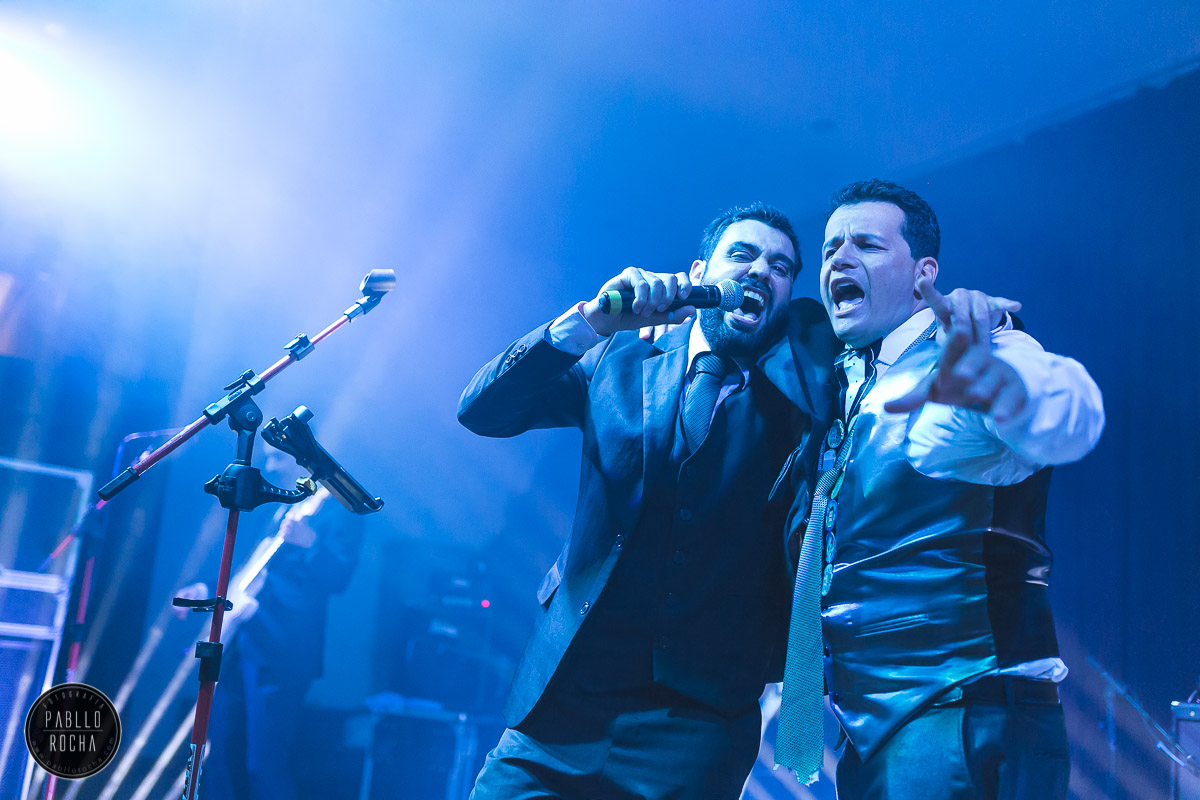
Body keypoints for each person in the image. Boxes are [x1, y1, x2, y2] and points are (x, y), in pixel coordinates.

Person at [458, 203, 842, 799]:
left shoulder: (804, 397)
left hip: (695, 734)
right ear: (697, 272)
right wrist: (588, 321)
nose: (761, 270)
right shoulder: (620, 357)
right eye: (742, 254)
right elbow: (483, 411)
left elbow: (841, 329)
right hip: (559, 710)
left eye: (781, 267)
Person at [774, 179, 1105, 799]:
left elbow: (1055, 415)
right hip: (880, 733)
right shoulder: (847, 389)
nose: (839, 259)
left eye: (867, 245)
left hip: (961, 716)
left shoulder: (981, 346)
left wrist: (988, 376)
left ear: (925, 272)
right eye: (829, 250)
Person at [175, 477, 364, 800]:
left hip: (283, 652)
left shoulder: (339, 509)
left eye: (278, 456)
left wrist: (312, 543)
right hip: (239, 643)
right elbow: (251, 564)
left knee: (264, 761)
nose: (271, 461)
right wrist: (208, 588)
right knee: (219, 751)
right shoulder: (277, 500)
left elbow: (340, 577)